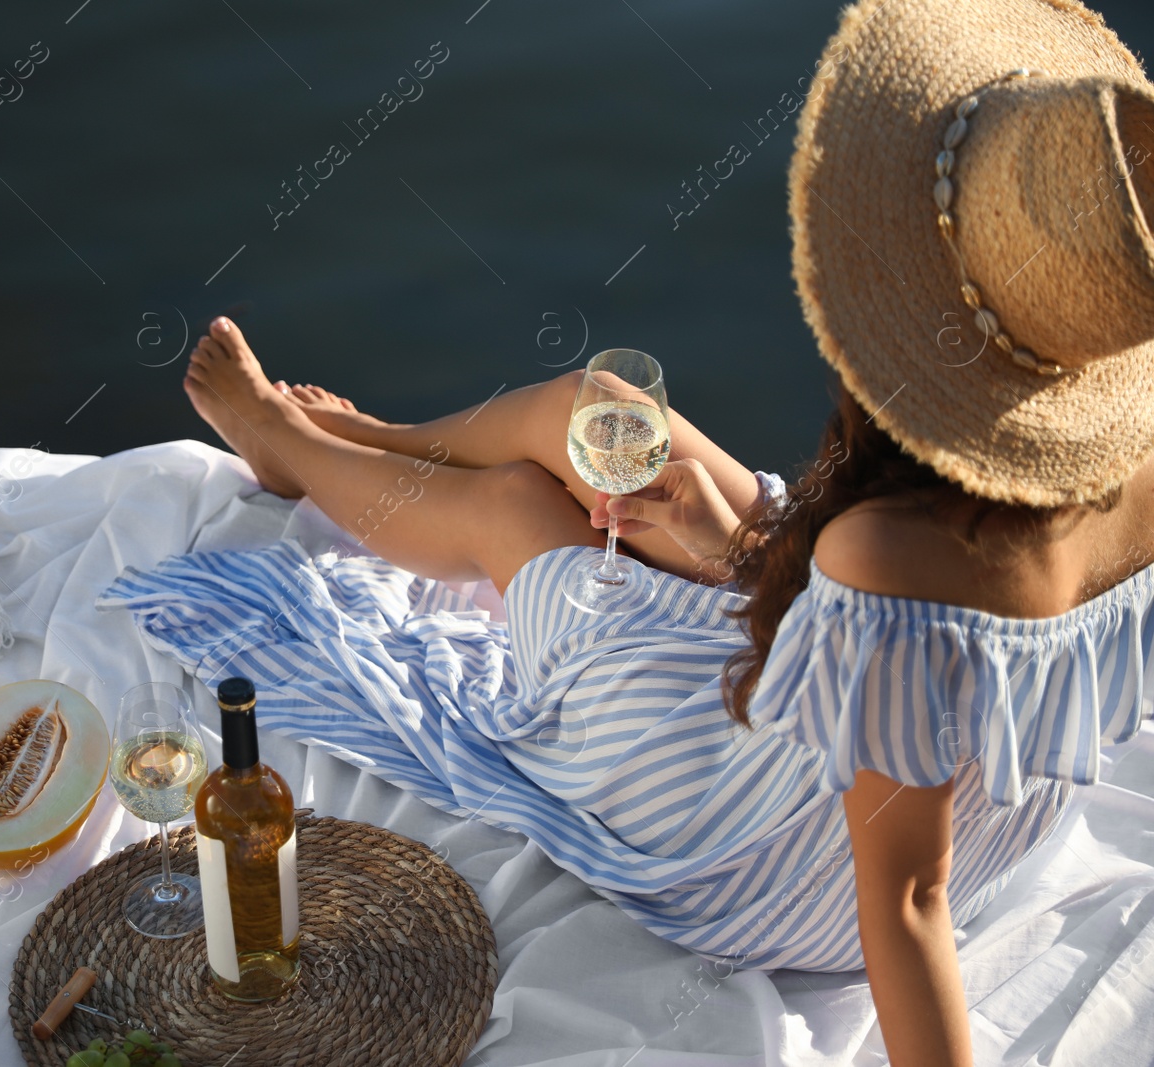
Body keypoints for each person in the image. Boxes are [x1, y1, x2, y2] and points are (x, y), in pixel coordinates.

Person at [101, 1, 1154, 1062]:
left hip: (766, 848)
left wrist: (749, 562)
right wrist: (731, 546)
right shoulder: (1119, 470)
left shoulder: (890, 554)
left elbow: (910, 897)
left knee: (515, 502)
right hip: (871, 742)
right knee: (600, 410)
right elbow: (933, 667)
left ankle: (286, 440)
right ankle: (369, 438)